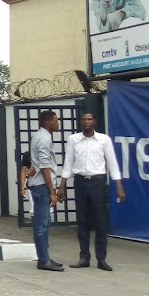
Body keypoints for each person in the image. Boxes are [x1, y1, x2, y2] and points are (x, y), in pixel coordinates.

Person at [58, 112, 125, 271]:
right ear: (80, 122)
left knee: (100, 221)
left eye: (89, 119)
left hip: (98, 182)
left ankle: (101, 258)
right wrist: (61, 186)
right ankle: (84, 257)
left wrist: (119, 186)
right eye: (84, 119)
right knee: (82, 221)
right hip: (80, 181)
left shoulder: (104, 139)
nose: (86, 122)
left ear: (94, 121)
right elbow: (68, 163)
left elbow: (112, 163)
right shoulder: (73, 139)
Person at [27, 109, 64, 271]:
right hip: (42, 186)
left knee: (44, 222)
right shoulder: (44, 139)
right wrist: (52, 192)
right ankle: (43, 260)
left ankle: (45, 256)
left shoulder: (38, 136)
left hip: (38, 184)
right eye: (55, 121)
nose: (58, 123)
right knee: (41, 224)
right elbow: (44, 167)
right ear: (48, 122)